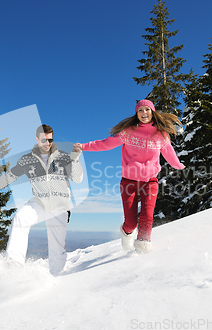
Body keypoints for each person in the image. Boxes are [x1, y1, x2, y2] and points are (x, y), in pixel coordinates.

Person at [73, 100, 185, 253]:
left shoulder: (161, 135)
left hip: (150, 181)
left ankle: (142, 251)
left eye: (147, 109)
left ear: (152, 112)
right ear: (136, 113)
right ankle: (126, 234)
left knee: (147, 216)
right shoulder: (129, 132)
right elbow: (106, 144)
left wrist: (179, 165)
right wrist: (84, 147)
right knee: (131, 223)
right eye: (140, 110)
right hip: (129, 181)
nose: (144, 113)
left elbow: (169, 153)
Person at [0, 124, 83, 274]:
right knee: (21, 217)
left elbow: (77, 178)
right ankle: (13, 265)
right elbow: (9, 176)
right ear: (37, 139)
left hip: (60, 207)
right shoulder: (27, 160)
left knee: (57, 249)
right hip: (39, 203)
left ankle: (57, 276)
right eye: (43, 140)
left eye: (50, 140)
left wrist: (75, 157)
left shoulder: (63, 157)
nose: (47, 143)